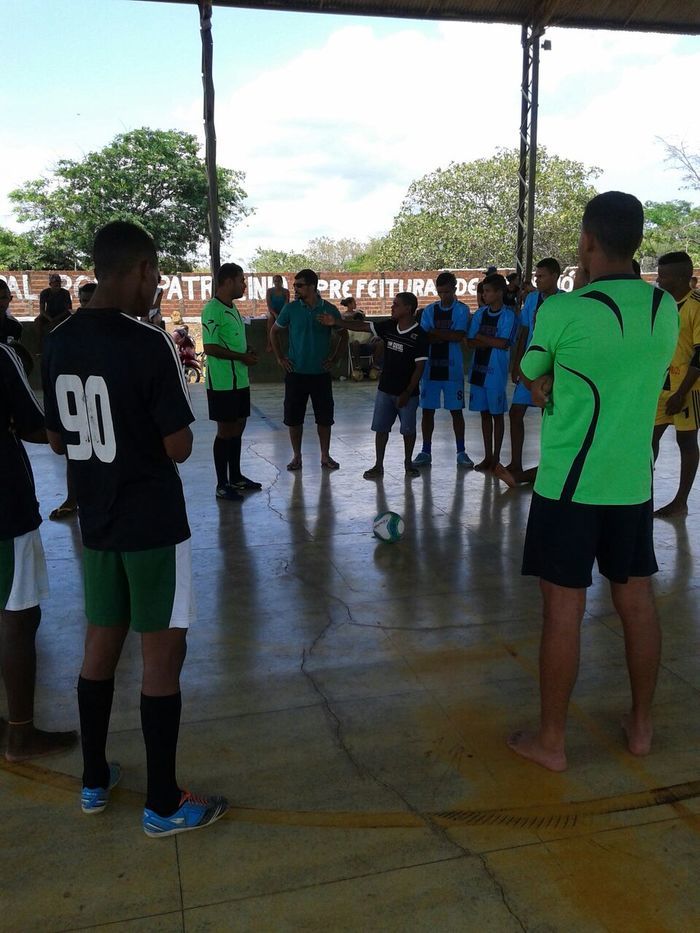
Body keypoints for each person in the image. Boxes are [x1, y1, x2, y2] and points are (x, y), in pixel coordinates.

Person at [42, 220, 227, 836]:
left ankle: (94, 778)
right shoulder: (147, 344)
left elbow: (55, 437)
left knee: (100, 645)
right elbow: (178, 446)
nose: (157, 288)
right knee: (161, 656)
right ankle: (164, 802)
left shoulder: (59, 340)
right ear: (142, 270)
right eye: (156, 276)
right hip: (151, 522)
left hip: (96, 520)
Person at [508, 192, 678, 772]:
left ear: (587, 240)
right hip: (632, 484)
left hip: (569, 488)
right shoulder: (665, 309)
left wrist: (544, 379)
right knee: (637, 604)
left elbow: (528, 371)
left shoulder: (563, 310)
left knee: (562, 611)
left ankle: (551, 741)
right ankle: (641, 727)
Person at [0, 341, 77, 762]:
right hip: (4, 510)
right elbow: (35, 426)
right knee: (17, 615)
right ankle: (21, 735)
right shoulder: (3, 354)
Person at [319, 292, 429, 478]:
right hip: (385, 389)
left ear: (408, 309)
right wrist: (337, 322)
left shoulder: (419, 336)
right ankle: (378, 465)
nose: (392, 307)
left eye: (396, 304)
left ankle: (408, 463)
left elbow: (419, 368)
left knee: (408, 431)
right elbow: (363, 326)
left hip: (407, 393)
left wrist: (408, 391)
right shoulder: (388, 326)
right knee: (381, 429)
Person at [270, 268, 346, 471]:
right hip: (296, 373)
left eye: (300, 285)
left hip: (321, 374)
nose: (295, 288)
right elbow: (274, 331)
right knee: (294, 418)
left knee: (325, 418)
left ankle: (325, 456)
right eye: (294, 285)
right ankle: (296, 456)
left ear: (312, 286)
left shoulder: (329, 309)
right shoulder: (291, 309)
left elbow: (343, 335)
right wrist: (280, 358)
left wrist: (334, 358)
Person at [497, 258, 561, 486]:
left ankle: (549, 463)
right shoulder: (532, 299)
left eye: (542, 275)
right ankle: (515, 462)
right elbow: (524, 331)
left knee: (549, 415)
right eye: (536, 275)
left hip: (552, 366)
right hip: (531, 363)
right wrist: (518, 362)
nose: (537, 279)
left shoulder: (564, 301)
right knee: (516, 412)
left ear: (555, 276)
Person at [201, 263, 260, 501]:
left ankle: (236, 477)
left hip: (240, 379)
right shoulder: (212, 310)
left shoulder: (233, 308)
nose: (244, 284)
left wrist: (247, 350)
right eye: (241, 280)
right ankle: (221, 483)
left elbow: (232, 342)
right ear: (227, 282)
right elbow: (210, 346)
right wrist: (240, 356)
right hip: (222, 382)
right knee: (225, 430)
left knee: (239, 425)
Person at [652, 251, 700, 517]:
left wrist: (681, 393)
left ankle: (680, 501)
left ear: (681, 277)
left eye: (664, 275)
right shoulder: (663, 303)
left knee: (686, 440)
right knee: (650, 438)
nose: (659, 280)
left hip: (687, 387)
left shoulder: (696, 304)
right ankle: (641, 492)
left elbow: (699, 353)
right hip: (662, 383)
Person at [412, 271, 473, 468]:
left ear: (454, 289)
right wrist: (446, 334)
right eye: (440, 292)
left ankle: (461, 451)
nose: (443, 296)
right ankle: (426, 451)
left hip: (452, 370)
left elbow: (458, 336)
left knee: (456, 411)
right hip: (430, 369)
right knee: (427, 411)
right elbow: (425, 336)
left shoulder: (462, 310)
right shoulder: (429, 310)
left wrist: (437, 333)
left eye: (446, 292)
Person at [49, 281, 97, 521]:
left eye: (91, 300)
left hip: (100, 395)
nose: (87, 305)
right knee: (74, 452)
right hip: (76, 397)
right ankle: (72, 498)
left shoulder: (108, 330)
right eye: (84, 300)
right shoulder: (66, 331)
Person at [466, 274, 518, 472]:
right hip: (478, 370)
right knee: (484, 414)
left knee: (497, 415)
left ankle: (496, 457)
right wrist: (488, 339)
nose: (484, 295)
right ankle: (488, 456)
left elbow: (504, 343)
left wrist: (481, 336)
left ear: (499, 293)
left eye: (488, 291)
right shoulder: (480, 314)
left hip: (495, 373)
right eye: (483, 291)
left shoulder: (508, 316)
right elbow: (471, 342)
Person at [341, 297, 383, 379]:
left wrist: (376, 338)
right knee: (355, 343)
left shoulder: (367, 325)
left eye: (361, 318)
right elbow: (349, 338)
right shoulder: (351, 326)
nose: (359, 320)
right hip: (356, 346)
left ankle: (375, 365)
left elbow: (375, 335)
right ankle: (358, 366)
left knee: (380, 343)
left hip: (367, 345)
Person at [265, 275, 290, 352]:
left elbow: (286, 305)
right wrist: (275, 314)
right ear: (273, 282)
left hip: (283, 311)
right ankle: (269, 344)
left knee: (291, 320)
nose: (277, 283)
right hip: (272, 311)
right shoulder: (269, 291)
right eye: (275, 281)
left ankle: (291, 344)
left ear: (282, 282)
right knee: (270, 319)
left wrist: (282, 315)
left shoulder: (286, 291)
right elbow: (269, 306)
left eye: (279, 281)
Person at [0, 280, 23, 345]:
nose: (0, 302)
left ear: (10, 299)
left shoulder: (15, 326)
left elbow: (15, 351)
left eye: (3, 298)